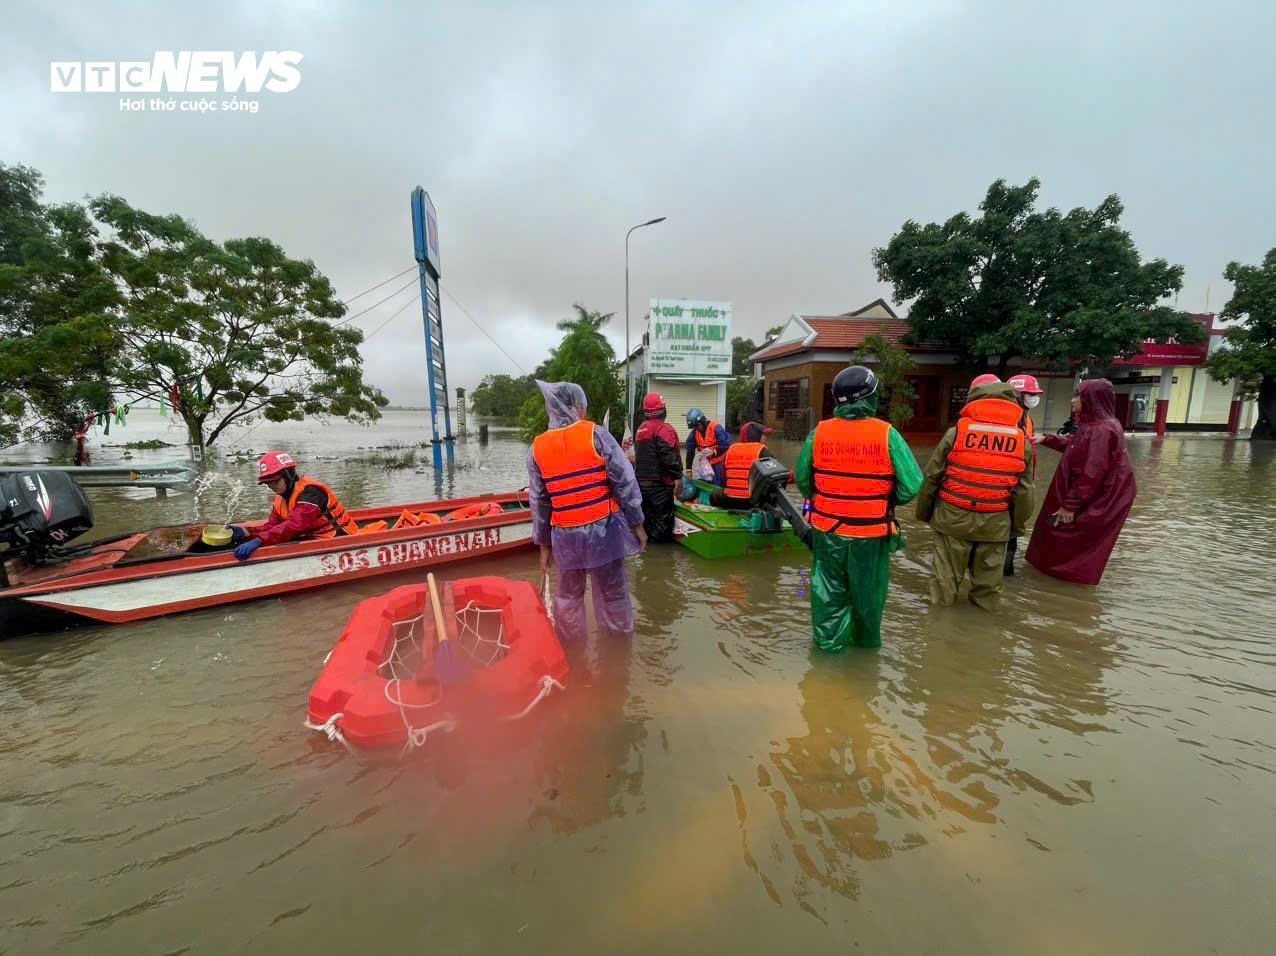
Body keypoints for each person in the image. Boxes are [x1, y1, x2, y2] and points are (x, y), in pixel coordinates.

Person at [795, 366, 923, 651]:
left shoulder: (820, 433)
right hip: (871, 536)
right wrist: (882, 500)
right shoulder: (887, 434)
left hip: (827, 533)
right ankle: (865, 661)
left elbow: (803, 479)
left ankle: (827, 658)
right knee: (868, 600)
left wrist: (831, 498)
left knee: (828, 597)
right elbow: (913, 485)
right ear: (871, 397)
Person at [527, 380, 647, 640]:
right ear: (578, 408)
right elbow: (624, 481)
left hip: (565, 536)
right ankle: (618, 651)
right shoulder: (597, 435)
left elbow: (539, 503)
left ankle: (573, 654)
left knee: (569, 595)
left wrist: (544, 546)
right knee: (613, 593)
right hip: (604, 530)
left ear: (552, 410)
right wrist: (637, 523)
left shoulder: (536, 448)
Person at [915, 377, 1033, 610]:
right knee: (988, 589)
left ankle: (939, 633)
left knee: (944, 583)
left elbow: (931, 477)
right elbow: (1025, 493)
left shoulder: (956, 432)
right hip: (995, 524)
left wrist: (925, 514)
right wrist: (1015, 527)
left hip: (951, 519)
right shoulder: (1022, 442)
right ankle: (982, 634)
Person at [1025, 378, 1137, 585]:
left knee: (1066, 535)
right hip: (1097, 494)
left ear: (1091, 399)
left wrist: (1070, 506)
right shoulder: (1094, 425)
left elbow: (1091, 473)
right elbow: (1078, 448)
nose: (1072, 401)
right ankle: (1052, 577)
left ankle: (1063, 582)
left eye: (1078, 396)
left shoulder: (1102, 430)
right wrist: (1048, 439)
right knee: (1058, 533)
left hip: (1100, 498)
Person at [228, 451, 359, 561]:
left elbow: (295, 525)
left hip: (340, 539)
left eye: (275, 480)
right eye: (268, 483)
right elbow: (271, 527)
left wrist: (259, 541)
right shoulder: (280, 500)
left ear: (289, 475)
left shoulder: (311, 492)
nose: (272, 486)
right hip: (314, 539)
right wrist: (247, 533)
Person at [1003, 373, 1043, 575]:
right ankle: (1004, 571)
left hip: (1022, 481)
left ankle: (1006, 570)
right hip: (1009, 483)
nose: (1034, 397)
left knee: (1014, 530)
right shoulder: (1007, 417)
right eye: (1030, 394)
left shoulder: (1027, 418)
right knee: (1009, 531)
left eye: (1035, 394)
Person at [632, 392, 684, 543]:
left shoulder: (641, 429)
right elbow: (668, 456)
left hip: (642, 487)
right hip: (659, 488)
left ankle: (647, 558)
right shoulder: (663, 429)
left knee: (648, 524)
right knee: (662, 529)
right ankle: (660, 562)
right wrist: (678, 477)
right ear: (662, 410)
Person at [710, 421, 776, 508]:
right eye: (763, 435)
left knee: (713, 495)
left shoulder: (730, 450)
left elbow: (724, 479)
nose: (765, 438)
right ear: (755, 436)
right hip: (752, 502)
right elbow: (774, 475)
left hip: (729, 499)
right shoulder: (762, 450)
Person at [684, 408, 732, 486]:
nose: (696, 429)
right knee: (704, 487)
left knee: (718, 489)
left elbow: (726, 445)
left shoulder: (715, 427)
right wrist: (688, 470)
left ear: (702, 421)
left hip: (719, 466)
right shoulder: (695, 432)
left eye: (697, 426)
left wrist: (714, 453)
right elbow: (690, 450)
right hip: (705, 466)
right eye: (694, 427)